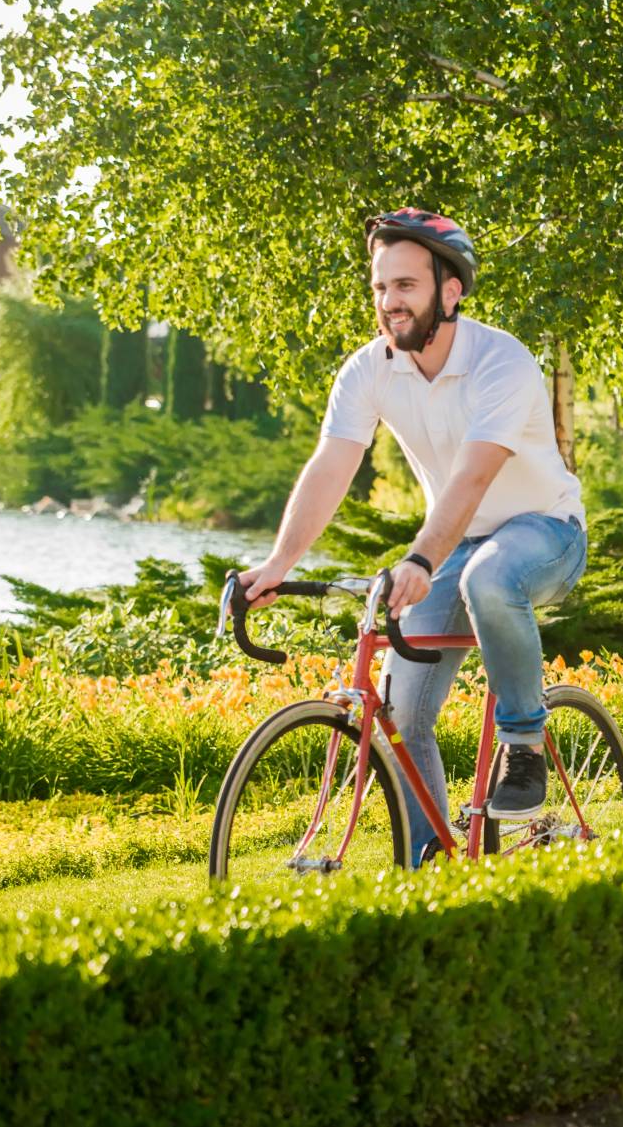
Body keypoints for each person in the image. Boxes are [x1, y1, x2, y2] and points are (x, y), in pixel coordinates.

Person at [238, 208, 586, 865]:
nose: (387, 302)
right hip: (457, 544)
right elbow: (332, 465)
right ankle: (433, 861)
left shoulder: (499, 362)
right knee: (397, 713)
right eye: (378, 287)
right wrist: (280, 562)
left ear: (449, 290)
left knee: (490, 576)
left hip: (545, 529)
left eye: (405, 286)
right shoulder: (369, 369)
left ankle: (523, 744)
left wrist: (422, 557)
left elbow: (474, 477)